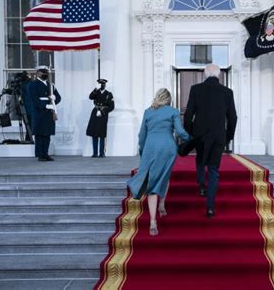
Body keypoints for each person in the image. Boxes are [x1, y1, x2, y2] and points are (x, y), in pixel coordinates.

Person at [127, 88, 191, 236]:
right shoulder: (173, 111)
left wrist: (142, 151)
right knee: (164, 175)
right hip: (168, 148)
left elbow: (142, 134)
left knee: (152, 182)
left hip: (151, 147)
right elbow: (180, 132)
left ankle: (152, 221)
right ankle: (162, 204)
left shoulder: (148, 112)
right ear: (169, 99)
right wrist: (191, 138)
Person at [184, 64, 237, 218]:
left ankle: (201, 185)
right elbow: (233, 117)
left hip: (200, 135)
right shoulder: (227, 92)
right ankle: (210, 207)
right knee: (213, 170)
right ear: (219, 75)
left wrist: (191, 132)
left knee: (200, 160)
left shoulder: (196, 89)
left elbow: (188, 115)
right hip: (218, 136)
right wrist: (229, 136)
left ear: (205, 75)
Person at [27, 65, 61, 161]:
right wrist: (44, 105)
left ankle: (45, 153)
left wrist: (54, 99)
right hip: (39, 111)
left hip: (49, 112)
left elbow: (58, 97)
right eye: (42, 71)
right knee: (39, 134)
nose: (45, 73)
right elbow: (34, 98)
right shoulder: (33, 84)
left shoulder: (51, 85)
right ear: (37, 72)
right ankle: (40, 154)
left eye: (46, 72)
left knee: (47, 134)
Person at [86, 79, 115, 157]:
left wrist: (103, 112)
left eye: (103, 84)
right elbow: (90, 97)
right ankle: (95, 153)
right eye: (100, 84)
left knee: (102, 133)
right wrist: (95, 89)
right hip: (95, 112)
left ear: (105, 85)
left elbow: (112, 107)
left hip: (103, 114)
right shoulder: (96, 92)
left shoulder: (109, 94)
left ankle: (101, 153)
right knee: (94, 133)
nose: (101, 86)